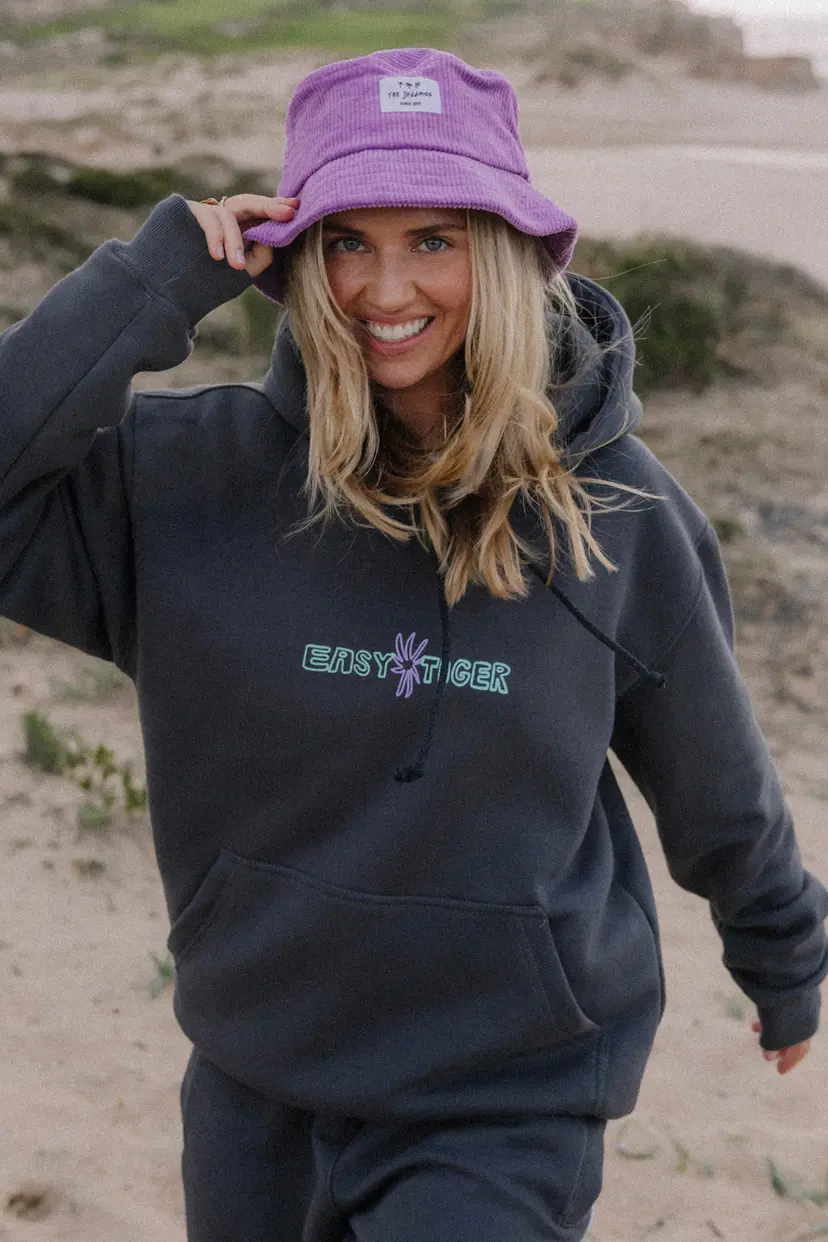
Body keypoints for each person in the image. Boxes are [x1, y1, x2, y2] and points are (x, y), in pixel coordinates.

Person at [0, 45, 825, 1242]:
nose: (386, 289)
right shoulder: (187, 483)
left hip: (506, 1099)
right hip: (255, 1074)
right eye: (348, 241)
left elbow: (715, 772)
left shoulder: (616, 513)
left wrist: (782, 951)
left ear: (506, 252)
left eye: (434, 239)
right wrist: (152, 281)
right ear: (295, 253)